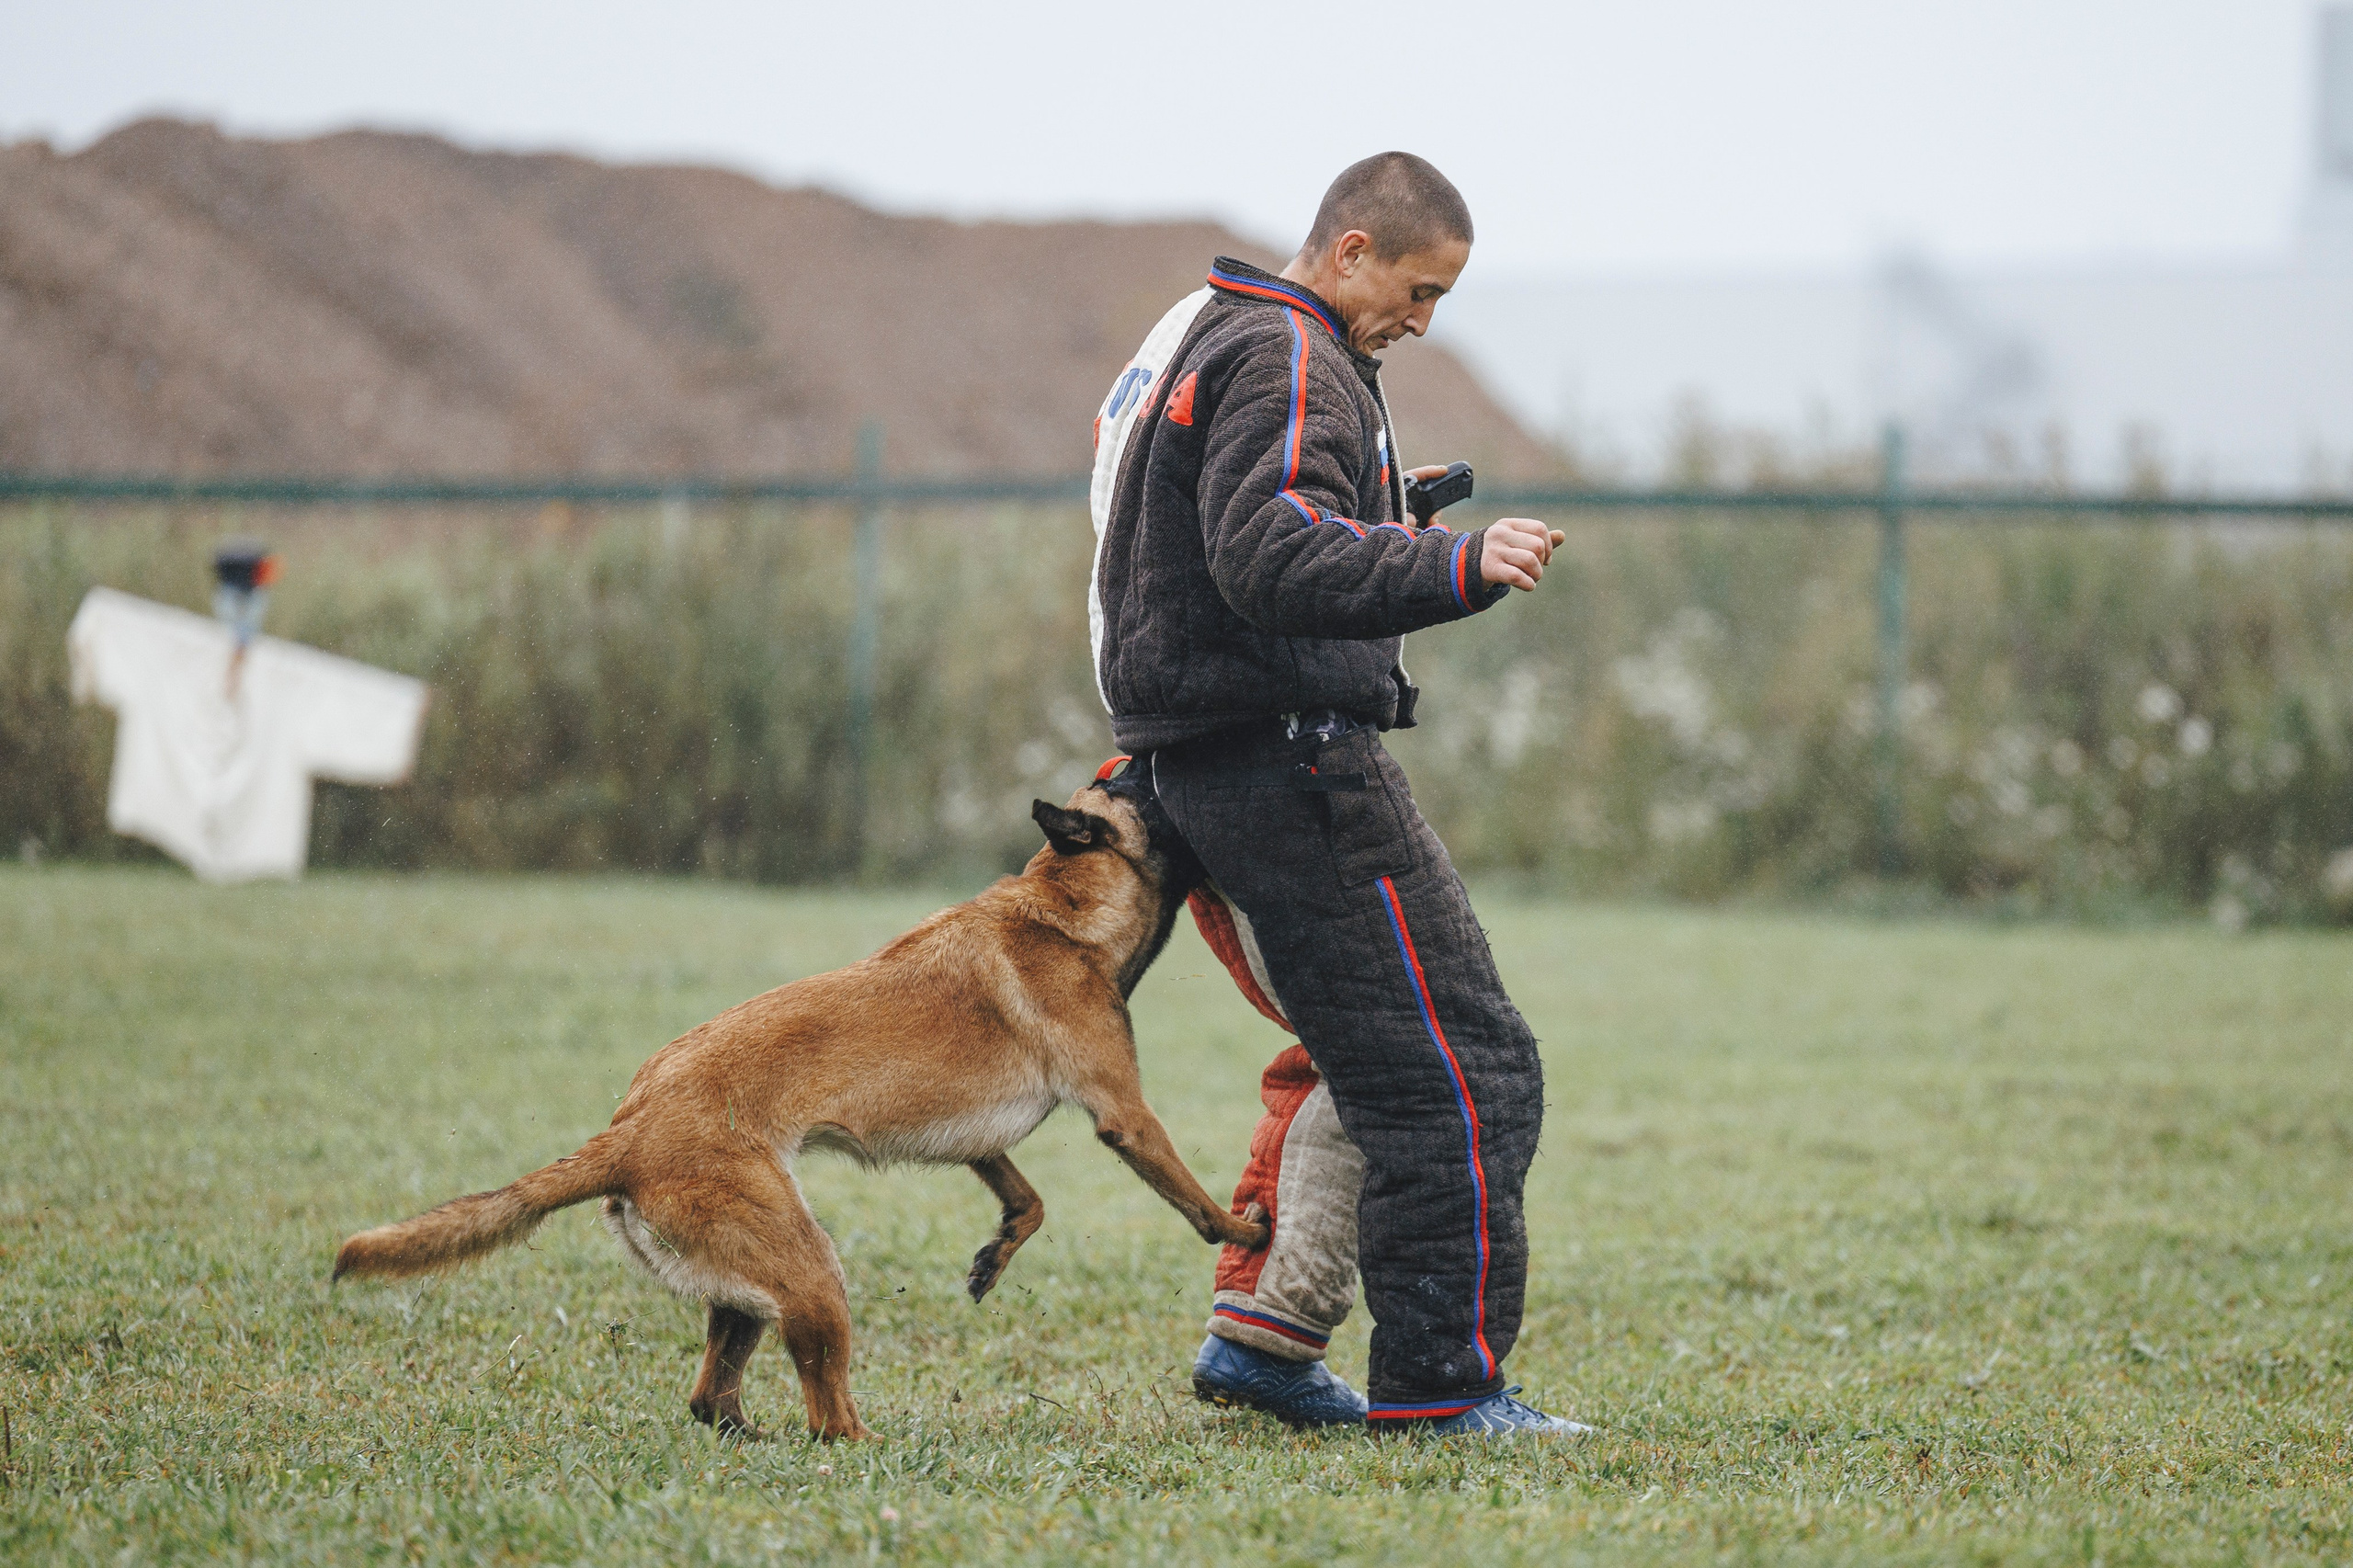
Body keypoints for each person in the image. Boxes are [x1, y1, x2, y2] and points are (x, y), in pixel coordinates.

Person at [1086, 152, 1580, 1437]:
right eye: (1417, 292)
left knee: (1356, 1053)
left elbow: (1196, 530)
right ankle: (1444, 1390)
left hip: (1195, 757)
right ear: (1350, 250)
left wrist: (1386, 501)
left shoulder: (1204, 329)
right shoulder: (1291, 353)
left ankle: (1269, 1332)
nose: (1421, 323)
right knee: (1464, 1068)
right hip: (1286, 760)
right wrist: (1450, 562)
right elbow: (1268, 552)